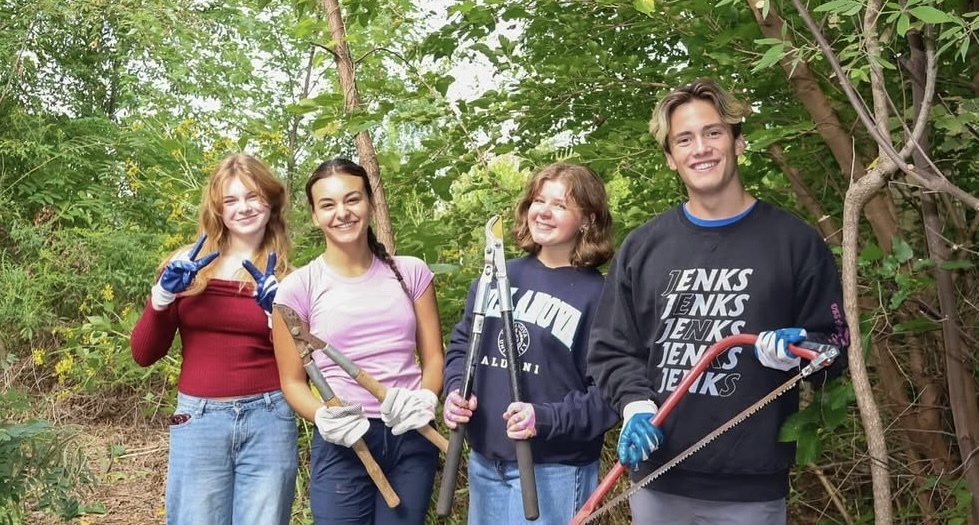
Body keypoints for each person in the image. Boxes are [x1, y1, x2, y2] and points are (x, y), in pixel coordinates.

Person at [586, 77, 850, 525]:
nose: (700, 148)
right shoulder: (642, 247)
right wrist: (635, 406)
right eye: (684, 139)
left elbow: (836, 346)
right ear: (671, 158)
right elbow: (613, 349)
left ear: (738, 142)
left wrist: (800, 351)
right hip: (657, 480)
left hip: (751, 488)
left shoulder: (795, 243)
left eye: (713, 133)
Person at [442, 162, 620, 525]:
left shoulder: (601, 297)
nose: (544, 211)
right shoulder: (496, 276)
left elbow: (610, 394)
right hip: (485, 462)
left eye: (560, 204)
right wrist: (455, 391)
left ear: (587, 219)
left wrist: (546, 418)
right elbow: (462, 347)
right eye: (540, 200)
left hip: (553, 468)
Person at [270, 158, 444, 525]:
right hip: (343, 440)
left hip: (411, 434)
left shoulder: (411, 272)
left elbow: (433, 359)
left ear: (369, 203)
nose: (342, 213)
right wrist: (322, 416)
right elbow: (291, 381)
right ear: (315, 215)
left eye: (353, 199)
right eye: (328, 204)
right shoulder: (297, 288)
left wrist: (425, 398)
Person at [130, 153, 297, 525]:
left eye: (253, 196)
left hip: (269, 418)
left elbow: (301, 365)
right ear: (217, 210)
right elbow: (144, 353)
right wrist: (163, 297)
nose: (244, 208)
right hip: (199, 420)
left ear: (270, 201)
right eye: (231, 200)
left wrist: (278, 316)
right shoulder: (185, 267)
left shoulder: (289, 278)